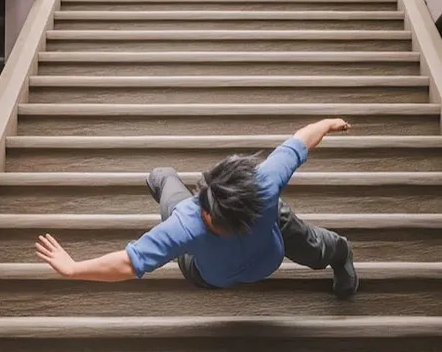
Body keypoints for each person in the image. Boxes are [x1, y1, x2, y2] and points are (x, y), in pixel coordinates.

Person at [36, 118, 359, 299]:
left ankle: (341, 252)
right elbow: (128, 262)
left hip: (269, 242)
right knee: (173, 201)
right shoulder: (188, 222)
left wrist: (328, 124)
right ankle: (162, 177)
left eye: (214, 220)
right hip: (211, 272)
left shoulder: (264, 186)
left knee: (307, 239)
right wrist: (74, 268)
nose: (206, 217)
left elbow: (300, 142)